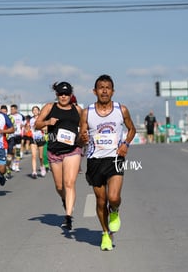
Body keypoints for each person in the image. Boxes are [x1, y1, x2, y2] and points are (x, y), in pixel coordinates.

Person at [79, 74, 136, 251]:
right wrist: (83, 138)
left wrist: (125, 144)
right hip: (95, 160)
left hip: (115, 159)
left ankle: (115, 211)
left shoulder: (122, 110)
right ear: (94, 91)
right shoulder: (87, 112)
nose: (104, 90)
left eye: (108, 87)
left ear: (113, 91)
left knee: (113, 198)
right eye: (101, 87)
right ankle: (105, 234)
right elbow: (82, 138)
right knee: (101, 201)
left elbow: (132, 129)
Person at [35, 82, 82, 230]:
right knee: (60, 186)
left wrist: (83, 140)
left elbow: (86, 126)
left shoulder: (78, 109)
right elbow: (37, 124)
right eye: (61, 94)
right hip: (54, 151)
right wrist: (48, 122)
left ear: (71, 95)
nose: (64, 96)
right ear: (57, 95)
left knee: (69, 183)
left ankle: (68, 217)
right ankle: (65, 199)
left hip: (72, 150)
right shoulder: (50, 107)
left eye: (66, 94)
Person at [29, 106, 46, 179]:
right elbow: (29, 128)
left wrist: (39, 127)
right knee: (33, 156)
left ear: (39, 111)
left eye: (36, 110)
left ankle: (42, 166)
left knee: (41, 157)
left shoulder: (41, 118)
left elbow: (45, 128)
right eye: (34, 110)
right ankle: (34, 171)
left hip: (40, 138)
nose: (35, 111)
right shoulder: (31, 119)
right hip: (33, 139)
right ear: (32, 112)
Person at [9, 104, 25, 172]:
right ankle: (13, 163)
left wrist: (22, 125)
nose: (11, 110)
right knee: (12, 151)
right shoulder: (9, 116)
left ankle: (17, 165)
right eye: (11, 109)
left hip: (18, 135)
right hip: (11, 135)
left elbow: (24, 122)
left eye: (12, 109)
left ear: (16, 109)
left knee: (18, 151)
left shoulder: (20, 116)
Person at [0, 104, 14, 178]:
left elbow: (12, 128)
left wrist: (4, 131)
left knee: (9, 157)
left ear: (7, 112)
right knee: (3, 156)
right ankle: (3, 170)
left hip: (10, 138)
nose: (3, 114)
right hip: (3, 139)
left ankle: (8, 167)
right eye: (2, 112)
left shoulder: (10, 118)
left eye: (4, 112)